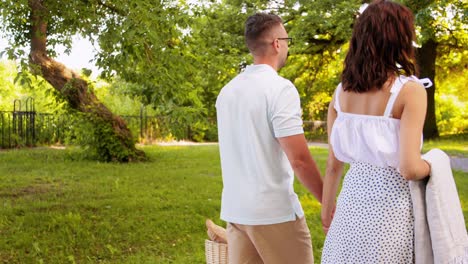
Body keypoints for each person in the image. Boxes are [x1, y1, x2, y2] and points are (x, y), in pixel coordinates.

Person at [320, 1, 432, 263]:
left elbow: (333, 164)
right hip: (390, 210)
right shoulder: (410, 91)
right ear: (399, 39)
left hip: (351, 203)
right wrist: (435, 163)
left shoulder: (341, 92)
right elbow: (409, 168)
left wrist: (326, 212)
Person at [216, 13, 323, 264]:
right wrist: (327, 202)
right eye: (287, 40)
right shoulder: (280, 89)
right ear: (277, 43)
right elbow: (300, 160)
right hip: (274, 214)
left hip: (237, 213)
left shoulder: (228, 91)